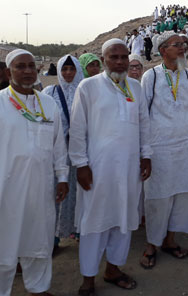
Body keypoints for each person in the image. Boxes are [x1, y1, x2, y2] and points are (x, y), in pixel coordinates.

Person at [69, 39, 152, 294]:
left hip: (128, 168)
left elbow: (144, 125)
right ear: (103, 60)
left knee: (124, 218)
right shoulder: (88, 86)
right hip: (97, 168)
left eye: (123, 57)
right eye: (113, 57)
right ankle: (88, 277)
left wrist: (146, 155)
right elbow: (77, 128)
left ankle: (113, 268)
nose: (119, 62)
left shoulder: (135, 88)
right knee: (94, 221)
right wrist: (80, 164)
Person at [0, 49, 68, 296]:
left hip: (40, 188)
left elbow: (58, 145)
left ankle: (38, 288)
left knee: (39, 241)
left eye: (31, 66)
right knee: (4, 246)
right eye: (20, 66)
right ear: (9, 72)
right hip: (6, 189)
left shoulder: (47, 104)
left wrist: (62, 177)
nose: (28, 71)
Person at [140, 32, 188, 269]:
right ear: (162, 50)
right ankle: (151, 245)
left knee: (184, 195)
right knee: (158, 197)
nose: (182, 48)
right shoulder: (151, 76)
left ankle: (170, 240)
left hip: (187, 145)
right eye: (176, 45)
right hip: (160, 148)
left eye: (184, 44)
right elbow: (143, 116)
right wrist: (145, 152)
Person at [42, 55, 84, 246]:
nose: (68, 73)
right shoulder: (50, 92)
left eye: (71, 69)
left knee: (78, 193)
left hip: (80, 152)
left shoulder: (86, 90)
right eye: (64, 69)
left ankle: (77, 229)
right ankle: (54, 237)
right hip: (57, 153)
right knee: (56, 192)